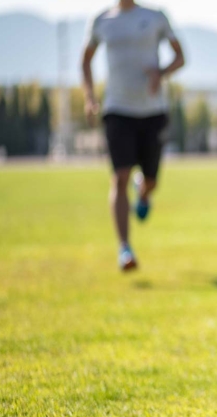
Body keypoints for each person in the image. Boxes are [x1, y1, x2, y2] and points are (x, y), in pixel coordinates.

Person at [81, 0, 185, 271]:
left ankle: (144, 191)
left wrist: (160, 73)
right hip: (116, 109)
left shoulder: (156, 17)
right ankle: (125, 248)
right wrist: (90, 97)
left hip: (153, 111)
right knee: (120, 176)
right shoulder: (101, 20)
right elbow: (86, 60)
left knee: (151, 180)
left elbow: (180, 56)